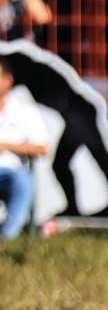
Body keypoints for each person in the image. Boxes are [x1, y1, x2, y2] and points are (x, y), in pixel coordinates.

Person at [0, 57, 50, 240]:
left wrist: (7, 146)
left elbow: (43, 148)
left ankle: (6, 238)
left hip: (10, 173)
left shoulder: (26, 112)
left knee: (23, 181)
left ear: (8, 80)